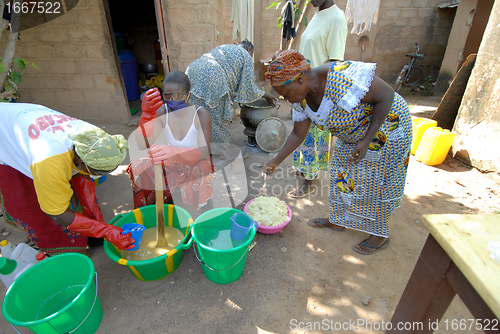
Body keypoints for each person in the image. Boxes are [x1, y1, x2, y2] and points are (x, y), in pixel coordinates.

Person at [263, 50, 412, 255]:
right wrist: (275, 160)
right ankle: (339, 220)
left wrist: (367, 140)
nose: (287, 100)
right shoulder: (302, 100)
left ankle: (379, 234)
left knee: (377, 180)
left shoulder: (340, 77)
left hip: (387, 126)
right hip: (351, 134)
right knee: (342, 175)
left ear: (299, 79)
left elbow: (386, 95)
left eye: (286, 94)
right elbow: (298, 134)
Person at [0, 103, 134, 255]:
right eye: (99, 171)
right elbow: (56, 212)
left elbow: (81, 173)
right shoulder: (48, 161)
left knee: (76, 189)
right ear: (82, 161)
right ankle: (59, 247)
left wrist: (92, 213)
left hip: (30, 122)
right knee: (32, 201)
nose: (102, 175)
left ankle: (90, 230)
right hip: (5, 135)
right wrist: (106, 231)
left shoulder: (96, 138)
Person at [128, 71, 214, 217]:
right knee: (139, 167)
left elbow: (204, 152)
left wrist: (175, 152)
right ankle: (149, 214)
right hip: (172, 160)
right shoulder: (163, 111)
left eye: (179, 96)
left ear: (188, 95)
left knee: (203, 168)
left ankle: (196, 217)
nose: (173, 100)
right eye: (168, 96)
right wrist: (146, 117)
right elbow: (143, 144)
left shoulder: (200, 114)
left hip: (194, 161)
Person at [288, 0, 347, 198]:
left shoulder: (337, 18)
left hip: (316, 91)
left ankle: (309, 181)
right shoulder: (318, 14)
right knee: (300, 130)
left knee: (313, 136)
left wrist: (312, 86)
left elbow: (334, 63)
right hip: (303, 86)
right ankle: (304, 168)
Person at [186, 40, 277, 155]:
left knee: (198, 112)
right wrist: (267, 95)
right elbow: (248, 87)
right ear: (249, 50)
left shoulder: (224, 48)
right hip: (213, 75)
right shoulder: (246, 55)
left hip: (192, 70)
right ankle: (220, 151)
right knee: (218, 117)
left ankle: (198, 147)